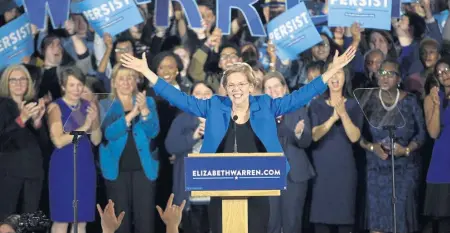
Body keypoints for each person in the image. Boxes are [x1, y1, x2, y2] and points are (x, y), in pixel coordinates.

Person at [120, 46, 357, 233]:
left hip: (259, 186)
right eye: (231, 85)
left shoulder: (265, 104)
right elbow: (179, 98)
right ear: (224, 88)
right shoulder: (214, 106)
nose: (236, 89)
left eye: (241, 84)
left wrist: (329, 72)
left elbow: (302, 94)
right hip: (221, 185)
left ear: (251, 85)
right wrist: (147, 73)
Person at [359, 60, 426, 233]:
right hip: (376, 169)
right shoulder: (367, 100)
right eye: (382, 73)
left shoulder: (411, 101)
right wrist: (372, 147)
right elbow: (357, 136)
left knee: (400, 220)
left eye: (391, 74)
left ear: (399, 78)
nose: (385, 77)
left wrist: (406, 149)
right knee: (377, 220)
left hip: (405, 169)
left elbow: (422, 134)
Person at [99, 64, 160, 233]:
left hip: (144, 168)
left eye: (130, 78)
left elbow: (153, 132)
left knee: (145, 220)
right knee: (120, 221)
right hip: (116, 169)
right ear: (114, 82)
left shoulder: (148, 101)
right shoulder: (105, 104)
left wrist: (145, 112)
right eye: (122, 78)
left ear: (136, 81)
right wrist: (133, 114)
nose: (126, 82)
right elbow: (109, 133)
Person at [46, 66, 102, 233]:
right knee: (62, 220)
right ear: (63, 86)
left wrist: (95, 120)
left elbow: (96, 140)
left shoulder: (88, 106)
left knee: (81, 221)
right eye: (71, 85)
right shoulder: (55, 107)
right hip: (64, 166)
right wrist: (84, 126)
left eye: (79, 85)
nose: (76, 89)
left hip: (85, 165)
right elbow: (58, 141)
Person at [309, 66, 363, 233]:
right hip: (322, 171)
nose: (334, 77)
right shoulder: (316, 104)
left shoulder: (354, 105)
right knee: (321, 222)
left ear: (345, 77)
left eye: (338, 72)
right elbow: (314, 135)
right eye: (331, 73)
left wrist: (344, 114)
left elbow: (355, 137)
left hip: (345, 172)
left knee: (345, 220)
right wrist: (333, 118)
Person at [263, 72, 314, 233]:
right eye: (268, 88)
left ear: (284, 88)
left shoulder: (297, 108)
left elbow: (306, 142)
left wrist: (298, 134)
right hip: (268, 175)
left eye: (276, 86)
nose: (273, 91)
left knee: (292, 223)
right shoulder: (259, 113)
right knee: (271, 224)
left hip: (295, 175)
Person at [165, 82, 214, 233]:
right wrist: (193, 136)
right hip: (191, 198)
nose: (203, 96)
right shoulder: (182, 120)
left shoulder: (226, 119)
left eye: (207, 92)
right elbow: (170, 146)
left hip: (217, 196)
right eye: (198, 93)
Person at [0, 65, 47, 220]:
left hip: (33, 171)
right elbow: (3, 140)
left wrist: (38, 122)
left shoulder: (32, 104)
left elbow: (45, 144)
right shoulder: (3, 106)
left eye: (22, 79)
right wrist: (22, 119)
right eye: (13, 80)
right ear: (6, 83)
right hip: (10, 173)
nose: (18, 83)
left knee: (30, 222)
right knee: (7, 220)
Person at [423, 57, 450, 232]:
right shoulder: (433, 98)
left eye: (446, 69)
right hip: (442, 164)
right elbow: (433, 133)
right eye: (439, 73)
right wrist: (437, 105)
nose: (444, 74)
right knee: (442, 222)